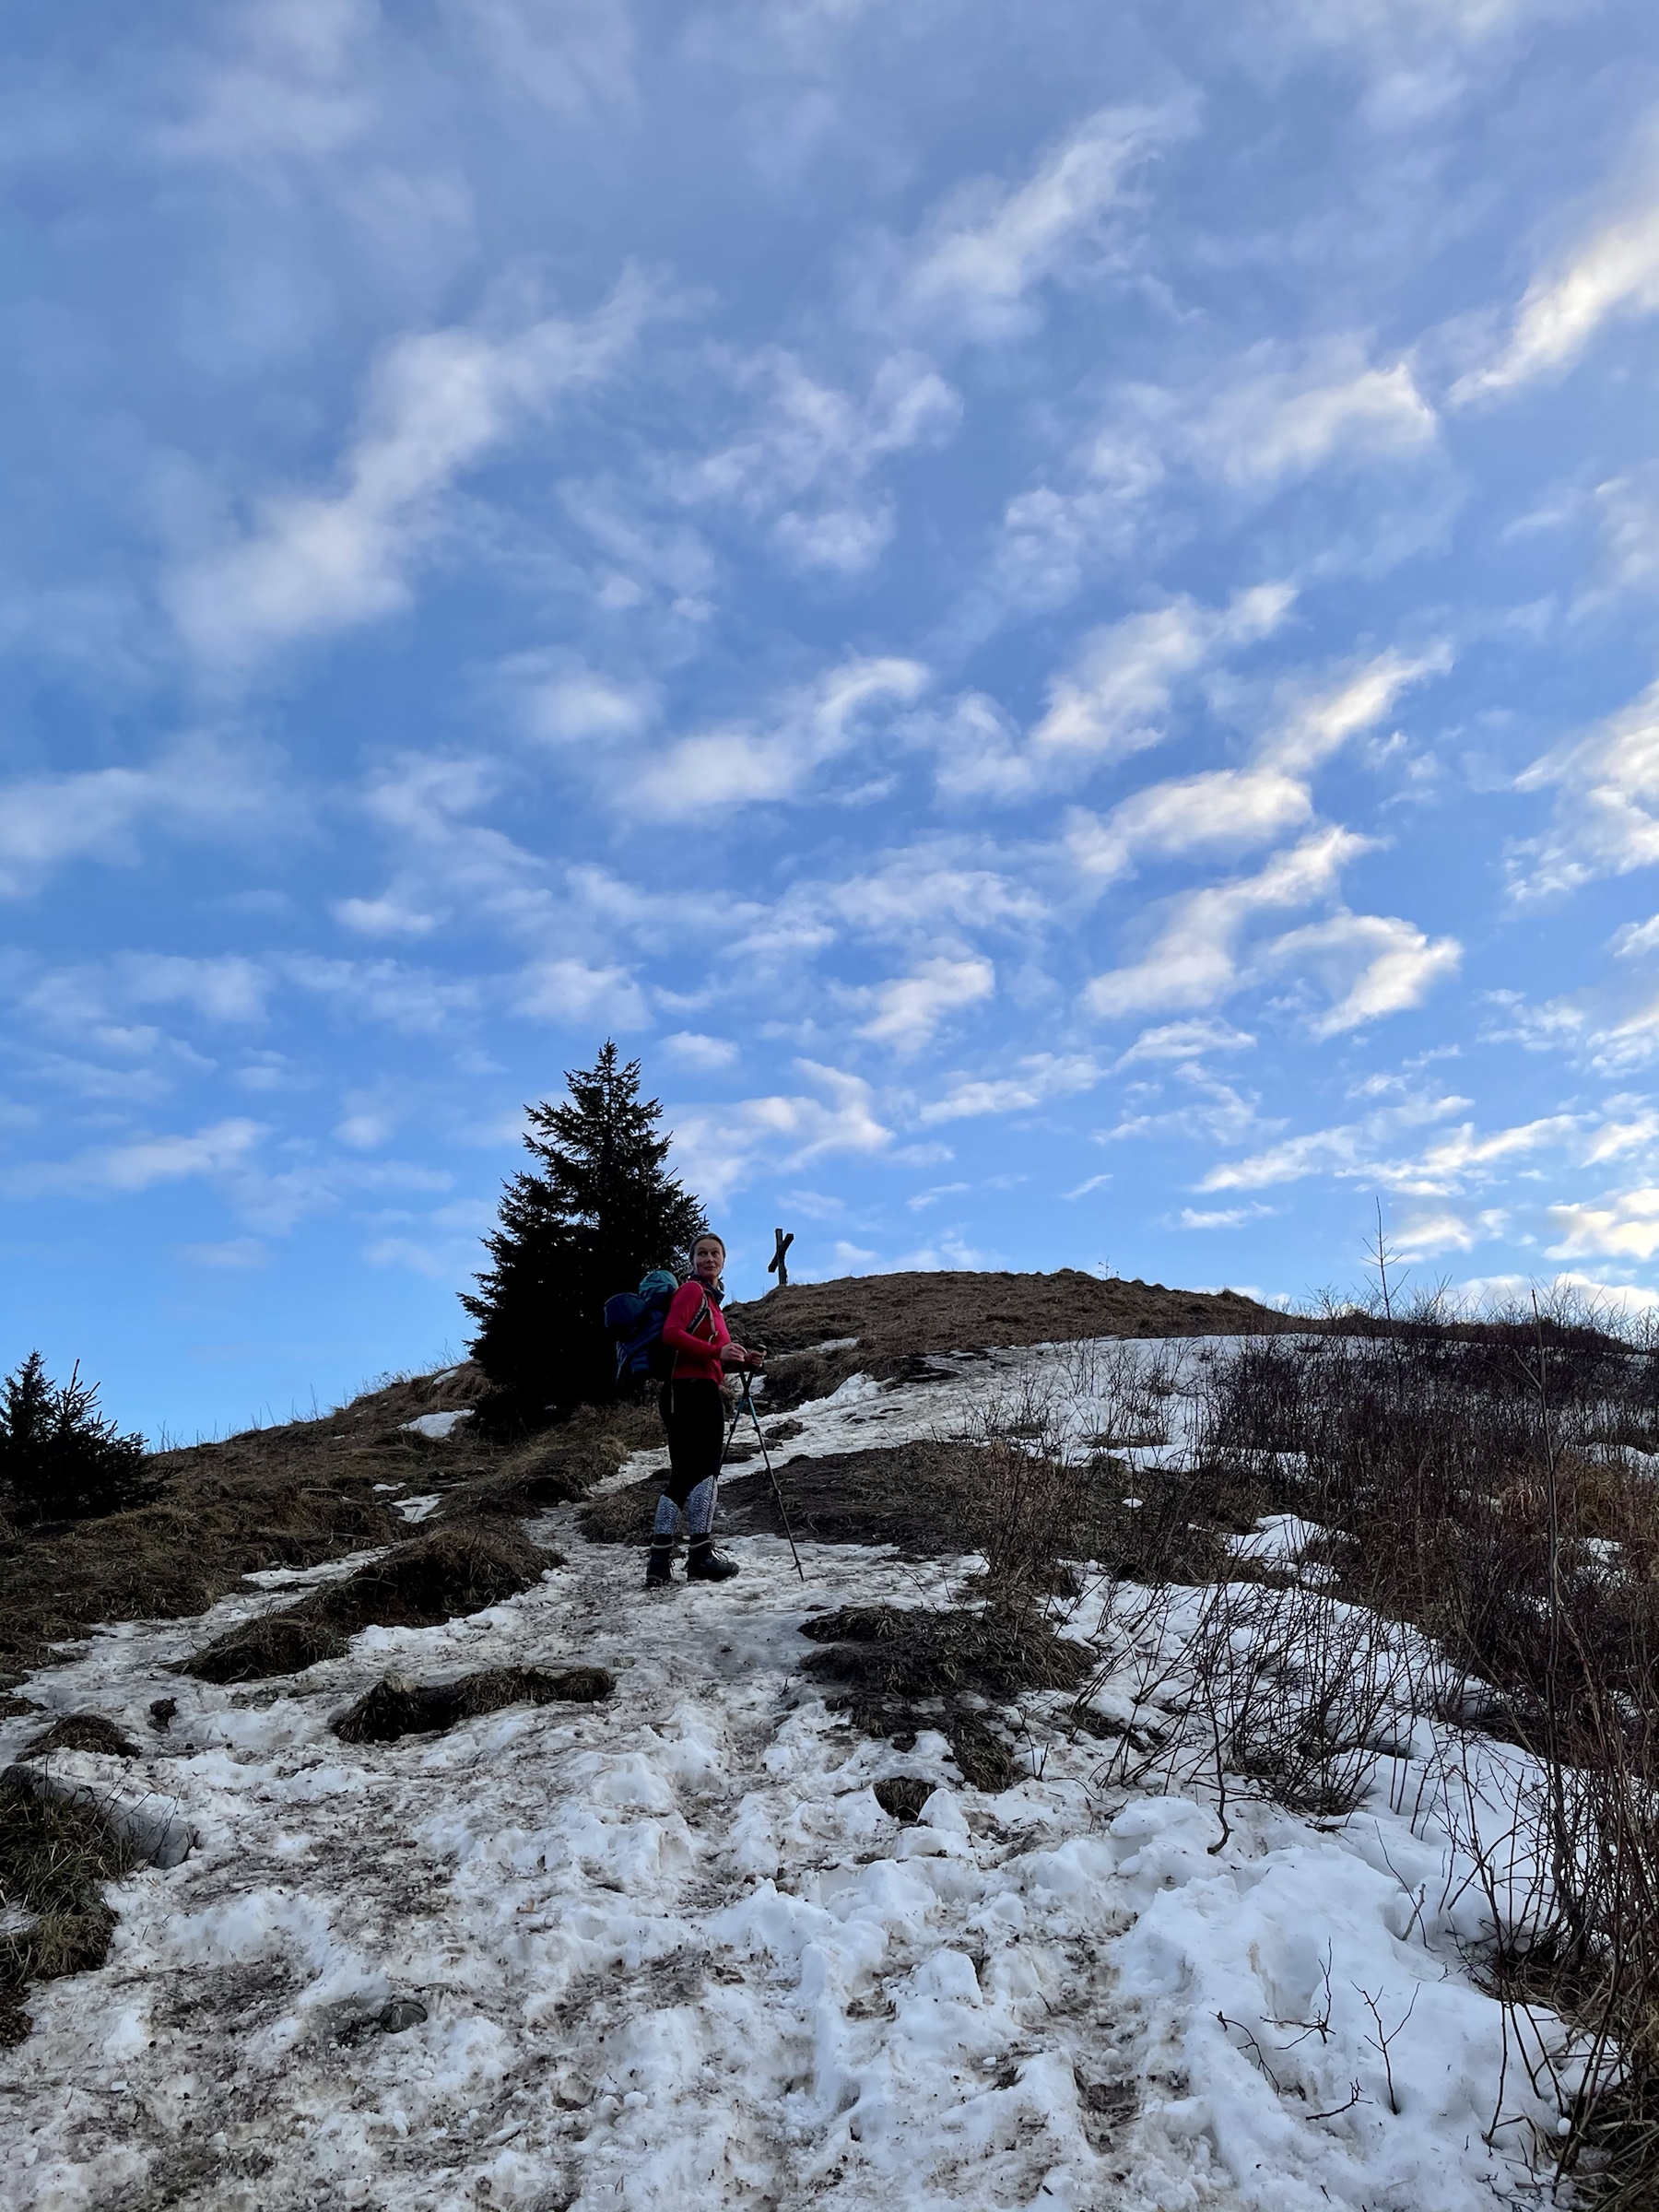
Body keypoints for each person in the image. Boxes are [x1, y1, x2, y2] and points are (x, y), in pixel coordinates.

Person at [647, 1232, 763, 1588]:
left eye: (714, 1253)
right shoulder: (692, 1291)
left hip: (684, 1392)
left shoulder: (711, 1302)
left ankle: (659, 1561)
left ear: (724, 1261)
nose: (708, 1259)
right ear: (692, 1260)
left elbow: (711, 1355)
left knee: (683, 1476)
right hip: (694, 1393)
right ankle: (700, 1555)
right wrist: (717, 1352)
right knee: (706, 1472)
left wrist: (741, 1361)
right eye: (701, 1253)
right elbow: (671, 1334)